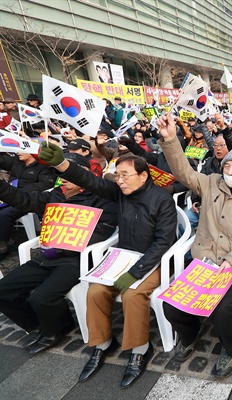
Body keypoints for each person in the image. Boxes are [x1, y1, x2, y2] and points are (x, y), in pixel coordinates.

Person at [38, 146, 178, 388]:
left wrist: (135, 272)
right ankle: (103, 343)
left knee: (133, 293)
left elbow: (164, 242)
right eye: (117, 175)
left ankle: (140, 349)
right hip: (121, 258)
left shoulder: (162, 200)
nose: (119, 180)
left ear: (143, 176)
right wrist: (62, 165)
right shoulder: (119, 192)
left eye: (125, 175)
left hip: (150, 262)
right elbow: (90, 181)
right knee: (96, 290)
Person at [156, 114, 232, 378]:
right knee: (171, 306)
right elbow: (182, 171)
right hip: (204, 262)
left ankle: (229, 348)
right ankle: (189, 334)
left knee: (223, 309)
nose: (229, 172)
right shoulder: (210, 183)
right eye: (227, 166)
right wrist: (171, 139)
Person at [0, 154, 118, 354]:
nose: (62, 178)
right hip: (46, 257)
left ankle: (53, 331)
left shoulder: (102, 199)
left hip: (77, 260)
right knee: (4, 291)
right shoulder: (56, 194)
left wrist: (63, 244)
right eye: (60, 174)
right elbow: (24, 200)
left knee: (40, 298)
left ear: (83, 175)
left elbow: (102, 233)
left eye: (68, 173)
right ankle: (42, 324)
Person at [0, 152, 56, 254]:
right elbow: (2, 160)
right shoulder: (16, 161)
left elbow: (46, 184)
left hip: (28, 199)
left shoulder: (44, 167)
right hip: (8, 195)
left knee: (4, 214)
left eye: (22, 150)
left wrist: (19, 189)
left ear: (32, 153)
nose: (18, 152)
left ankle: (3, 243)